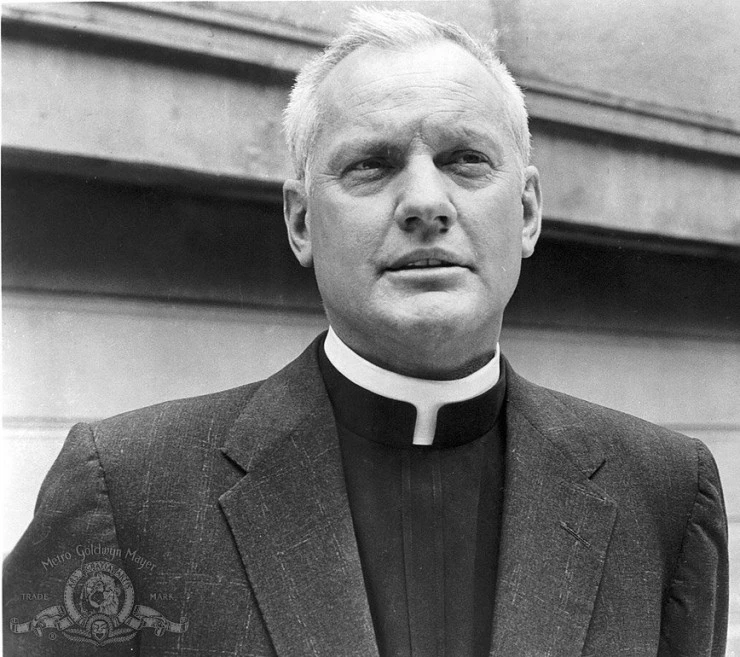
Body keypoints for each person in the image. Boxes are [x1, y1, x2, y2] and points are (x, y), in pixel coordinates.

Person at [3, 8, 728, 656]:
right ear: (301, 222)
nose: (425, 203)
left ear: (528, 213)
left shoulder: (664, 494)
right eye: (371, 165)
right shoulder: (126, 489)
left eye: (466, 160)